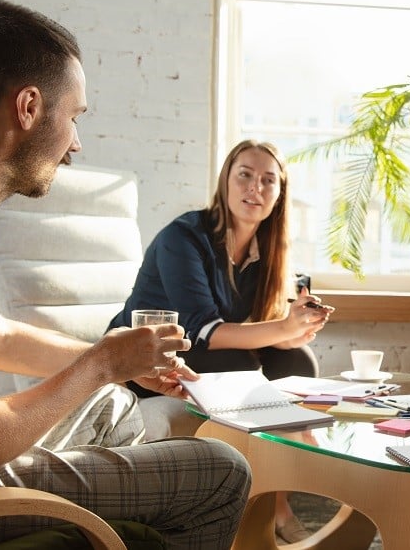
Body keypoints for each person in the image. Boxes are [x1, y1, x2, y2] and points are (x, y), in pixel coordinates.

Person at [0, 0, 250, 549]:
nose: (75, 143)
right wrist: (101, 362)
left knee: (112, 403)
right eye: (74, 116)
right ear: (28, 106)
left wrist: (120, 363)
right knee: (223, 471)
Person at [107, 139, 331, 543]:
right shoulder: (184, 238)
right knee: (242, 367)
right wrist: (282, 328)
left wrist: (295, 328)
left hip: (203, 353)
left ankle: (275, 495)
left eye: (268, 181)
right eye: (244, 175)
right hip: (150, 361)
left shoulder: (268, 250)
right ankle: (268, 509)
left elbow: (259, 325)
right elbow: (203, 331)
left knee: (298, 361)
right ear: (226, 180)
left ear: (280, 195)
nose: (255, 188)